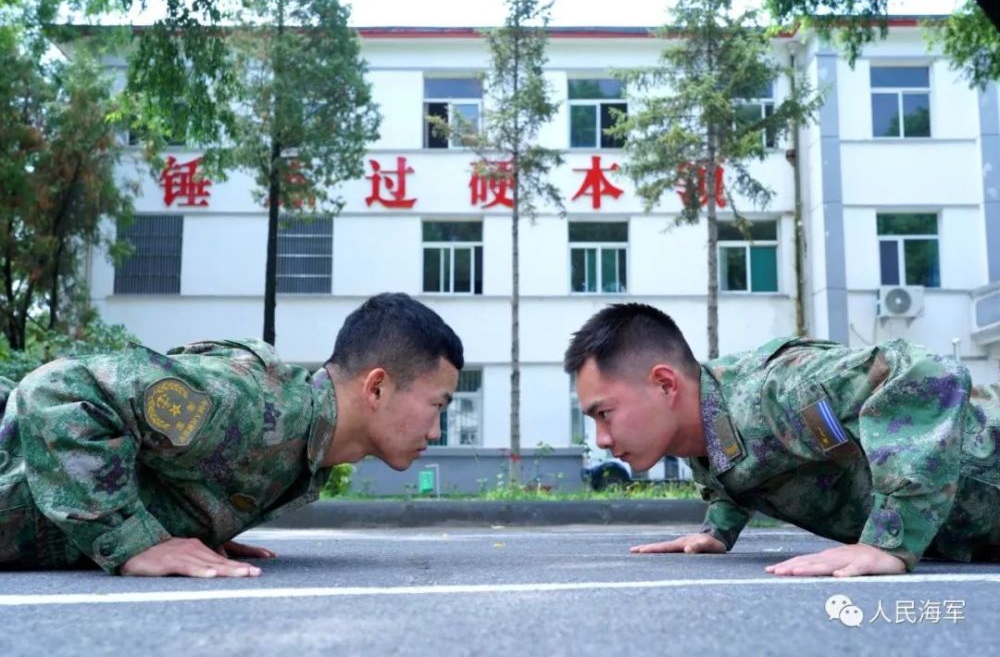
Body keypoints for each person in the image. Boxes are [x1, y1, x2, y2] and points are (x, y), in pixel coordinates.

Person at [0, 292, 462, 578]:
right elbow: (57, 390)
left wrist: (186, 524)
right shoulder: (250, 403)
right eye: (437, 404)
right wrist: (135, 539)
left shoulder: (302, 448)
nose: (436, 429)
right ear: (376, 387)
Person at [564, 302, 1000, 577]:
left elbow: (928, 374)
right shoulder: (702, 431)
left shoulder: (779, 391)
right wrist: (718, 530)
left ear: (664, 384)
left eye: (604, 413)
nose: (602, 439)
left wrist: (887, 542)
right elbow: (743, 462)